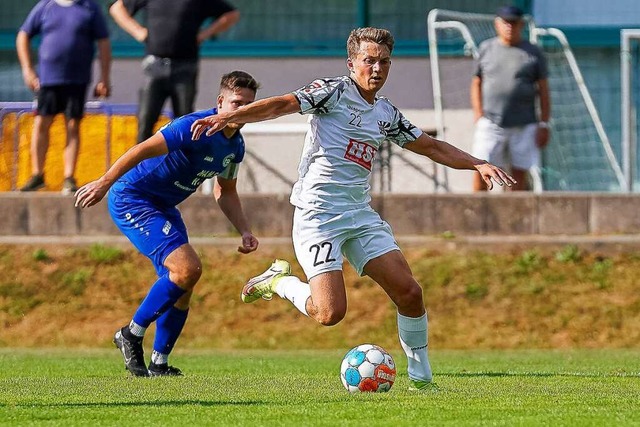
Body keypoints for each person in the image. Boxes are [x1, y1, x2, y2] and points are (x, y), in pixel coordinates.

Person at [191, 28, 516, 390]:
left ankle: (422, 380)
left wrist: (477, 163)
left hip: (359, 215)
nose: (377, 68)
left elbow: (431, 147)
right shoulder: (332, 92)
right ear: (352, 64)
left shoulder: (385, 113)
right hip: (317, 215)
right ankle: (279, 282)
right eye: (369, 60)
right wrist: (232, 117)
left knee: (409, 292)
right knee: (330, 313)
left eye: (384, 61)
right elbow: (282, 104)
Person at [74, 71, 261, 376]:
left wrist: (244, 229)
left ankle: (159, 363)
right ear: (220, 102)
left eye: (249, 105)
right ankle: (131, 334)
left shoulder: (235, 146)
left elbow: (225, 191)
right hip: (133, 198)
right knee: (188, 268)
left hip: (163, 206)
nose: (242, 111)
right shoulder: (192, 128)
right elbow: (140, 149)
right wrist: (104, 182)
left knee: (185, 283)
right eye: (236, 103)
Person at [109, 0, 240, 144]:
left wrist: (205, 34)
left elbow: (231, 15)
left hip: (185, 66)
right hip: (155, 65)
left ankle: (184, 165)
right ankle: (142, 165)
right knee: (145, 121)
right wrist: (137, 31)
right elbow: (117, 8)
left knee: (185, 124)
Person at [17, 0, 112, 194]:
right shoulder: (46, 6)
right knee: (42, 123)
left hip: (77, 80)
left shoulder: (89, 7)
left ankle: (69, 177)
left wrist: (104, 77)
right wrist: (28, 70)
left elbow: (103, 42)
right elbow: (23, 35)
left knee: (72, 126)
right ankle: (37, 175)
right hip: (48, 80)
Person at [470, 5, 551, 192]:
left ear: (521, 25)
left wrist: (544, 123)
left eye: (514, 23)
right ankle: (476, 215)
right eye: (506, 22)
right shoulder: (486, 48)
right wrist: (478, 114)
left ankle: (515, 217)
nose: (510, 27)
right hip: (491, 122)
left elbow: (544, 89)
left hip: (524, 124)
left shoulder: (533, 52)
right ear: (497, 24)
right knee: (480, 167)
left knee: (519, 174)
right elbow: (476, 82)